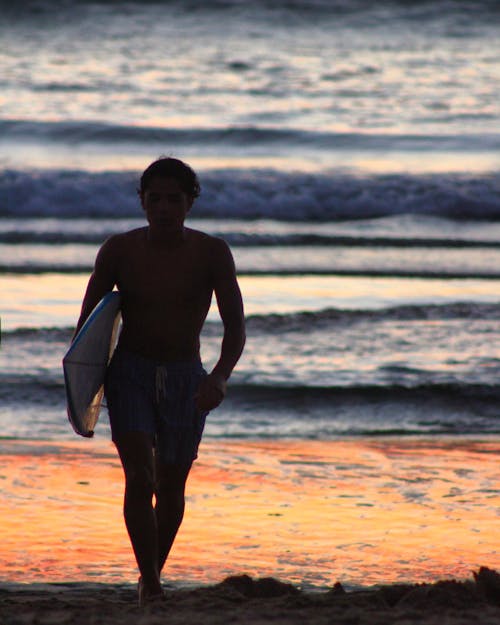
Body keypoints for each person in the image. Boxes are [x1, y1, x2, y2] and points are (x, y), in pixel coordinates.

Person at [73, 157, 246, 604]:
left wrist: (220, 378)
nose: (165, 208)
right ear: (142, 202)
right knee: (139, 476)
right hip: (128, 372)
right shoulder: (119, 250)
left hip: (188, 377)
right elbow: (87, 328)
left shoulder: (212, 252)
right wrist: (83, 395)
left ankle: (151, 573)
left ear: (190, 202)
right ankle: (151, 582)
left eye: (174, 199)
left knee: (171, 485)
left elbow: (235, 327)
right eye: (155, 199)